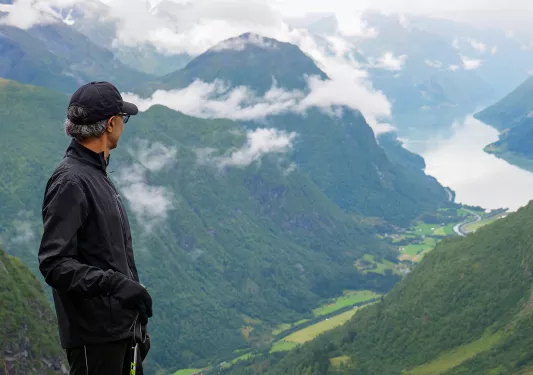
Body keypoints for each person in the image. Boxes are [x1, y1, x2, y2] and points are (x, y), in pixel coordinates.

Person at [38, 81, 153, 375]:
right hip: (96, 340)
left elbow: (106, 253)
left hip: (118, 334)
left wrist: (134, 324)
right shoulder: (71, 182)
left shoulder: (94, 172)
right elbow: (54, 263)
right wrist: (115, 285)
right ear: (111, 124)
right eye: (123, 119)